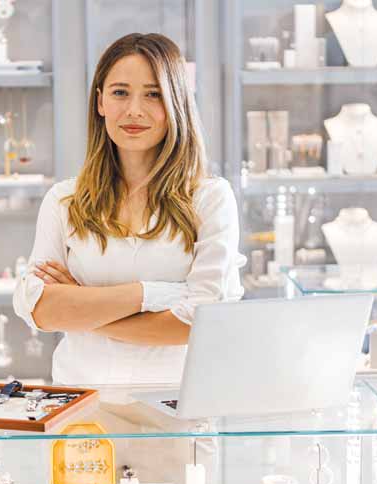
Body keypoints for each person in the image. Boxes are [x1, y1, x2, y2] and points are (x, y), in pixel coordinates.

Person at [13, 33, 245, 385]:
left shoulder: (210, 199)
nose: (134, 110)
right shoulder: (65, 200)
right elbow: (39, 308)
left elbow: (201, 322)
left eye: (153, 94)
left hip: (178, 409)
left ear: (176, 103)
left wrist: (82, 308)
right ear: (100, 102)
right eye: (120, 92)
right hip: (80, 410)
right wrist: (152, 295)